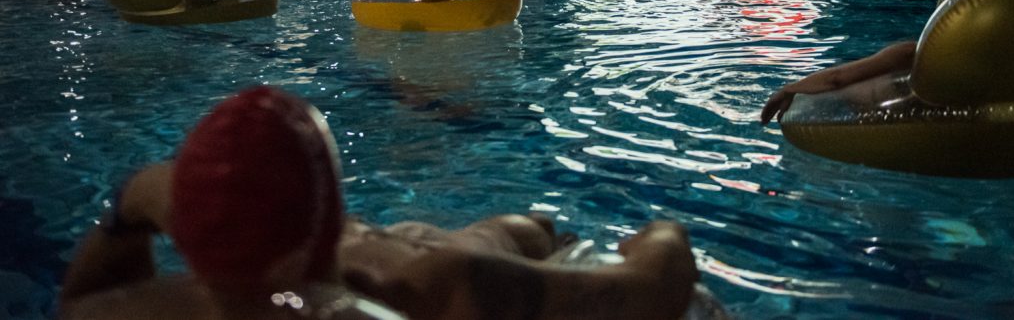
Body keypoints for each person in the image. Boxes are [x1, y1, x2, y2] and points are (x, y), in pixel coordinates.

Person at [61, 86, 699, 320]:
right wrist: (663, 230)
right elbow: (656, 288)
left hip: (368, 252)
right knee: (525, 228)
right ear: (331, 210)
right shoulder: (438, 285)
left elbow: (83, 293)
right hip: (426, 264)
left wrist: (131, 202)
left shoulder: (125, 309)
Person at [761, 0, 990, 124]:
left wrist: (789, 88)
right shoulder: (1002, 61)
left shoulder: (916, 55)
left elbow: (836, 79)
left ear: (944, 10)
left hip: (888, 127)